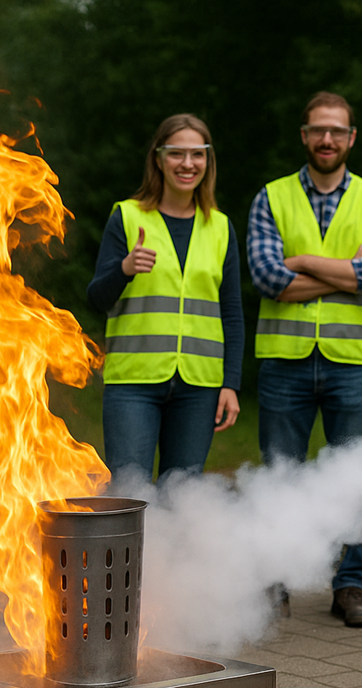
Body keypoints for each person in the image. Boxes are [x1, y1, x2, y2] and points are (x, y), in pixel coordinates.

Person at [247, 91, 362, 628]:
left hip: (353, 362)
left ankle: (350, 585)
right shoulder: (271, 196)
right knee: (279, 477)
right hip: (284, 360)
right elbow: (267, 278)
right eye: (317, 130)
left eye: (337, 131)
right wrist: (343, 271)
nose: (327, 139)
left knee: (354, 478)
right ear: (304, 136)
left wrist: (304, 262)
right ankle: (275, 581)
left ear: (351, 138)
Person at [88, 113, 243, 483]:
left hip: (199, 387)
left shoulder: (220, 227)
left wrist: (230, 384)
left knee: (184, 498)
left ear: (208, 160)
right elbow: (97, 298)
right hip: (133, 384)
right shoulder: (126, 217)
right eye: (177, 154)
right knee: (131, 495)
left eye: (197, 154)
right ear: (158, 159)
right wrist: (123, 269)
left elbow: (232, 313)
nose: (187, 164)